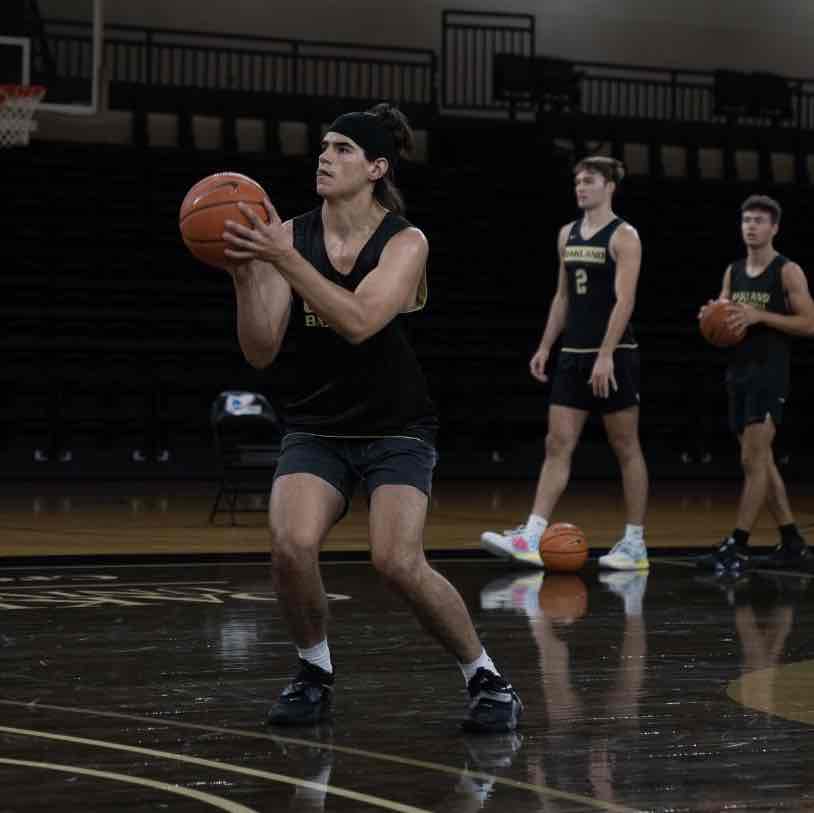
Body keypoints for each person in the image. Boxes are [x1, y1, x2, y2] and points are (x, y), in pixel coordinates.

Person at [221, 102, 522, 733]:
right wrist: (246, 274)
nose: (325, 157)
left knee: (396, 561)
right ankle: (313, 672)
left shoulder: (405, 241)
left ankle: (487, 678)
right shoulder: (290, 236)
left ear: (376, 168)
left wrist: (283, 260)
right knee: (290, 546)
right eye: (323, 146)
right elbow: (261, 350)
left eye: (343, 149)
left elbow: (359, 322)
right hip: (317, 423)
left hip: (396, 426)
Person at [481, 156, 649, 571]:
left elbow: (625, 300)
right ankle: (532, 534)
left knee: (626, 447)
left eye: (589, 181)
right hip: (573, 355)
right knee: (556, 445)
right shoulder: (566, 234)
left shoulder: (624, 236)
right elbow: (562, 297)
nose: (580, 187)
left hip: (615, 356)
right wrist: (545, 346)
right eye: (577, 181)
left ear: (609, 186)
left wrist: (606, 353)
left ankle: (634, 544)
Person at [698, 195, 814, 574]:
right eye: (746, 220)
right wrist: (710, 317)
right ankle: (792, 540)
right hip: (738, 372)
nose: (751, 226)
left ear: (774, 228)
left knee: (753, 459)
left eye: (760, 221)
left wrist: (759, 316)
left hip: (769, 373)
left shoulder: (787, 271)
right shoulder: (733, 271)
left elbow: (809, 323)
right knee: (761, 460)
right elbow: (725, 315)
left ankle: (738, 544)